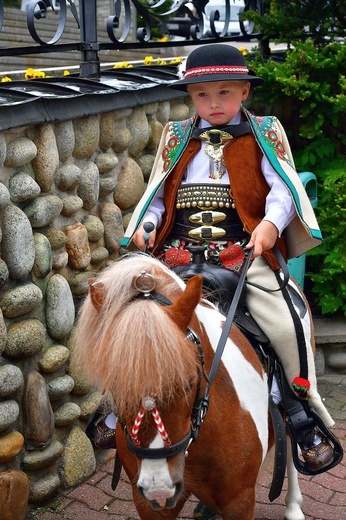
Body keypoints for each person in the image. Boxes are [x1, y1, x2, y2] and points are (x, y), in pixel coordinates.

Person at [91, 44, 340, 519]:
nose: (214, 103)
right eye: (202, 95)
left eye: (225, 92)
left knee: (287, 321)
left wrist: (269, 225)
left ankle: (300, 411)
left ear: (245, 91)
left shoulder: (263, 132)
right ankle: (114, 406)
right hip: (176, 257)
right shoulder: (177, 136)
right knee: (129, 317)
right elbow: (159, 195)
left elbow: (283, 188)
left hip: (241, 253)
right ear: (191, 97)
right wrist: (148, 226)